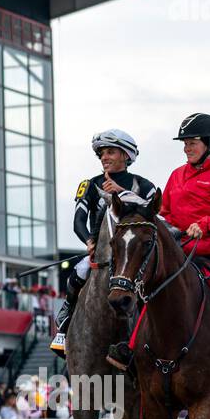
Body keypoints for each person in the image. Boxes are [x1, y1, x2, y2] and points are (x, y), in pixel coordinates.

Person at [106, 113, 210, 377]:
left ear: (209, 143)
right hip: (182, 250)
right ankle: (131, 347)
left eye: (192, 142)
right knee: (146, 284)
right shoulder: (177, 176)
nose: (186, 148)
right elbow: (167, 212)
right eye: (184, 143)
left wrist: (206, 224)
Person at [50, 129, 156, 355]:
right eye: (101, 154)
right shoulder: (89, 185)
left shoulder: (145, 186)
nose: (104, 157)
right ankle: (65, 322)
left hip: (133, 254)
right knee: (78, 272)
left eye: (110, 152)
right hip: (101, 253)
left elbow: (156, 215)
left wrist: (121, 192)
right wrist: (89, 241)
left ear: (126, 155)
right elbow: (78, 221)